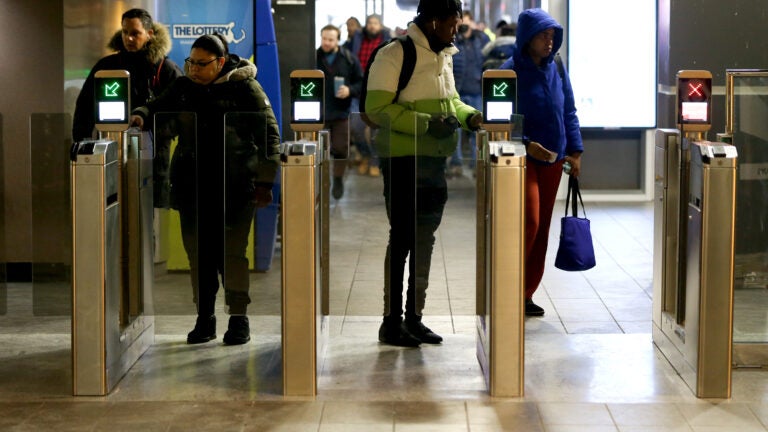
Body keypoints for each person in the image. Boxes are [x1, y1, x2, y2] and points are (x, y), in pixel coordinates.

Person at [130, 34, 281, 345]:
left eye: (201, 64)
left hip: (236, 187)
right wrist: (142, 114)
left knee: (232, 255)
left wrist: (266, 183)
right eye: (191, 63)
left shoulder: (245, 89)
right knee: (199, 256)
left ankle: (238, 319)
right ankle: (205, 318)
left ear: (220, 62)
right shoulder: (184, 88)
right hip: (192, 186)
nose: (194, 69)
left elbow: (269, 136)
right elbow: (156, 105)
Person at [366, 0, 483, 346]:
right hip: (403, 161)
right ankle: (391, 322)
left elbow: (452, 102)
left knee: (424, 240)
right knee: (402, 238)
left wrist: (470, 117)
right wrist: (426, 124)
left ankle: (414, 318)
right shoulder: (395, 54)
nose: (457, 29)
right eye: (452, 23)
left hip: (434, 163)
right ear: (432, 21)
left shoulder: (444, 54)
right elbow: (375, 109)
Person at [499, 8, 584, 316]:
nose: (549, 43)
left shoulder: (557, 67)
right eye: (542, 36)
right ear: (527, 38)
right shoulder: (508, 71)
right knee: (530, 222)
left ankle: (525, 293)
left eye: (552, 37)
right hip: (523, 161)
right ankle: (508, 287)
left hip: (554, 158)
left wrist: (575, 151)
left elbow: (569, 111)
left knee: (543, 226)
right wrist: (525, 145)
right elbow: (501, 123)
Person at [72, 8, 183, 207]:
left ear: (149, 34)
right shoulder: (107, 66)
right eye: (125, 32)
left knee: (150, 215)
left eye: (135, 33)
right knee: (115, 207)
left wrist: (156, 128)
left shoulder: (165, 70)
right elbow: (85, 106)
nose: (128, 39)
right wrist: (81, 143)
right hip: (114, 152)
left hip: (155, 157)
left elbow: (181, 111)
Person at [317, 24, 364, 199]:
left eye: (330, 39)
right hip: (318, 113)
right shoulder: (313, 57)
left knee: (341, 149)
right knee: (317, 151)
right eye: (324, 39)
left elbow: (361, 83)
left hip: (340, 113)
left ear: (338, 40)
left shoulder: (349, 59)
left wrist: (349, 90)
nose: (326, 42)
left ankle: (337, 179)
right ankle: (317, 180)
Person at [345, 14, 392, 177]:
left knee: (375, 130)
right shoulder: (357, 40)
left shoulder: (388, 41)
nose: (372, 26)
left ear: (381, 25)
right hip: (359, 89)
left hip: (378, 90)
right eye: (370, 23)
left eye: (376, 23)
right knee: (355, 127)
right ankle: (365, 155)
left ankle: (374, 160)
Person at [449, 10, 490, 177]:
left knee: (478, 131)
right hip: (457, 92)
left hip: (476, 92)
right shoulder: (452, 40)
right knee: (455, 131)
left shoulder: (480, 40)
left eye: (467, 21)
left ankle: (477, 165)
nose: (464, 24)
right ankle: (456, 163)